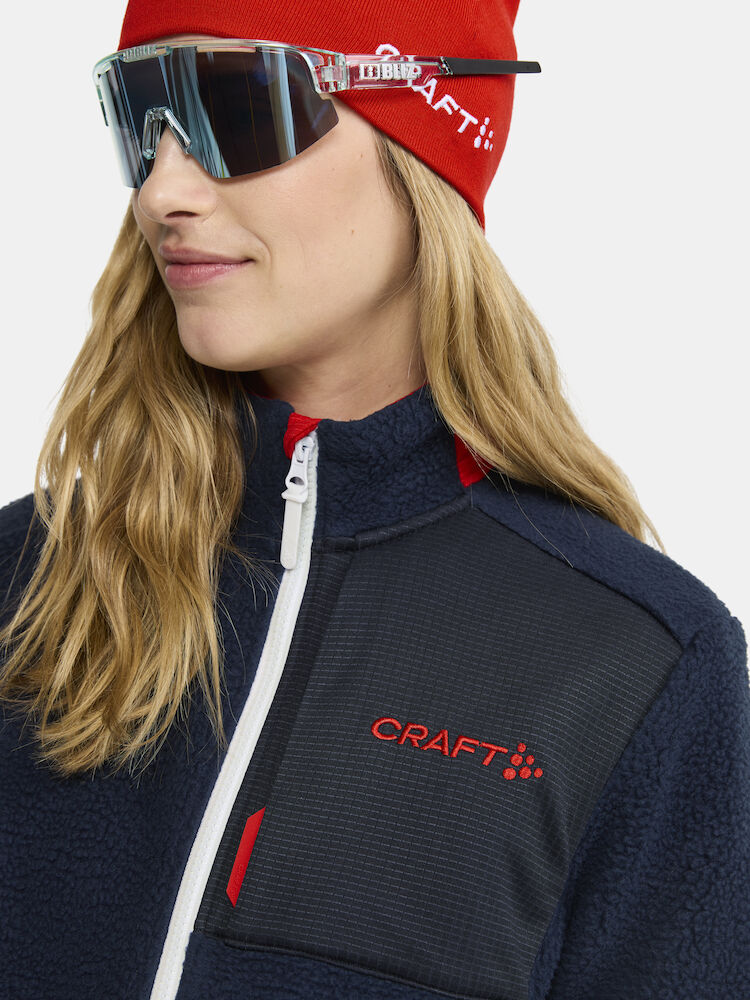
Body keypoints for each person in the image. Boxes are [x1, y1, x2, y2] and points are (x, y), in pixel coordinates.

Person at [1, 1, 748, 998]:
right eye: (141, 113)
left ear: (426, 139)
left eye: (238, 105)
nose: (164, 190)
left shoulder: (636, 661)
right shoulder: (22, 584)